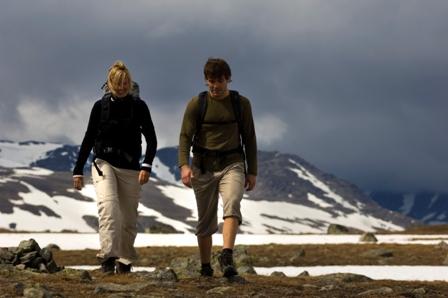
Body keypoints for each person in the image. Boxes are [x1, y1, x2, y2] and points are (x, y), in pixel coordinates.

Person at [72, 60, 157, 274]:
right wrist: (78, 170)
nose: (121, 87)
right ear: (109, 83)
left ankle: (125, 261)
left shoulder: (139, 106)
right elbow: (89, 138)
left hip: (130, 168)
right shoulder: (100, 107)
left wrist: (146, 165)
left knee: (128, 218)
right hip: (104, 164)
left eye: (125, 83)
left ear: (130, 83)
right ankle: (107, 259)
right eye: (117, 83)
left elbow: (152, 139)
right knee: (109, 210)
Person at [178, 58, 257, 278]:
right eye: (210, 81)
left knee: (232, 202)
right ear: (206, 80)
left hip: (232, 164)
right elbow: (185, 137)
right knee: (205, 221)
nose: (214, 86)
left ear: (228, 79)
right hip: (202, 167)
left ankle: (227, 255)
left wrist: (252, 171)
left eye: (219, 81)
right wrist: (184, 165)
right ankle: (205, 267)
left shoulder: (241, 104)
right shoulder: (197, 104)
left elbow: (249, 138)